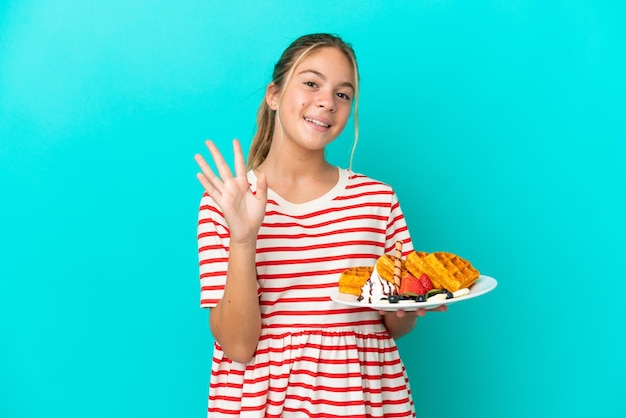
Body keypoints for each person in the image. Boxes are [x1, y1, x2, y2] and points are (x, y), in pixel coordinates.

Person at [194, 33, 445, 418]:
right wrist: (243, 238)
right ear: (274, 95)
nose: (328, 102)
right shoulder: (226, 203)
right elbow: (238, 347)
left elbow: (394, 326)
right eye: (311, 83)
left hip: (362, 399)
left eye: (343, 94)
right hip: (262, 404)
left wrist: (410, 306)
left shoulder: (377, 200)